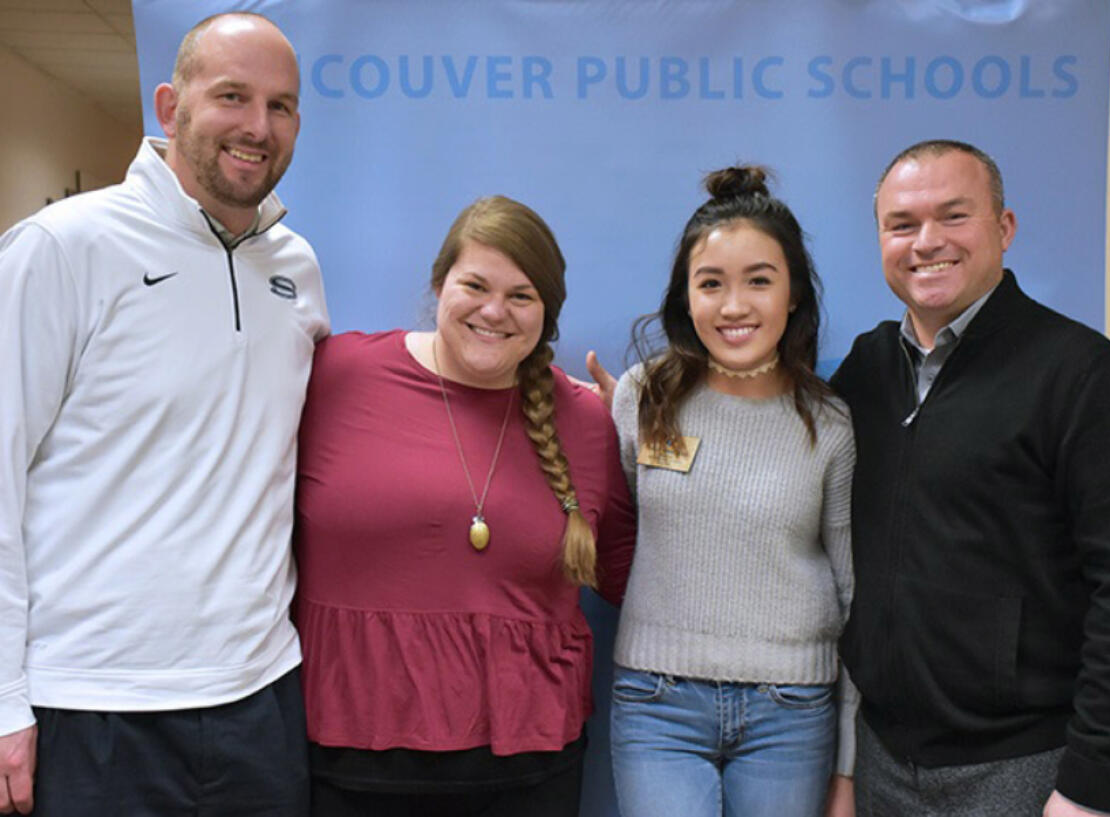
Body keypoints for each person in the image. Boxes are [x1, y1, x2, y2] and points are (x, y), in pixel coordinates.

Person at [0, 12, 327, 817]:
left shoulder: (298, 268)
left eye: (280, 106)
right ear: (169, 106)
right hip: (91, 703)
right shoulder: (61, 247)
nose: (258, 126)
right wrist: (4, 700)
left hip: (260, 698)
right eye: (232, 96)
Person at [829, 139, 1110, 817]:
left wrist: (1093, 782)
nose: (927, 241)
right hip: (883, 763)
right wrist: (646, 406)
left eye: (953, 216)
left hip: (1032, 770)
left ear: (1004, 228)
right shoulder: (866, 373)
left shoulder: (1085, 378)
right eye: (902, 224)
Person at [293, 195, 636, 817]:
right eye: (474, 284)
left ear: (546, 314)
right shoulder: (337, 374)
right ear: (438, 284)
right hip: (350, 756)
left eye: (521, 296)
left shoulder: (585, 420)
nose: (493, 311)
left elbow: (629, 575)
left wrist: (648, 439)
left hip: (527, 766)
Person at [606, 166, 856, 817]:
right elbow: (627, 517)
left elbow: (852, 589)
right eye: (711, 283)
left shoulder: (829, 423)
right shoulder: (642, 396)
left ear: (793, 293)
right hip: (657, 706)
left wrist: (850, 763)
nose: (734, 305)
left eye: (759, 281)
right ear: (685, 297)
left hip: (791, 711)